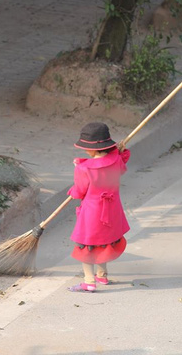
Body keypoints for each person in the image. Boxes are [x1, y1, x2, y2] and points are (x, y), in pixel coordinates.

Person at [67, 122, 130, 292]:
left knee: (87, 245)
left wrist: (73, 187)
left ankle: (88, 281)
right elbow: (121, 167)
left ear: (92, 148)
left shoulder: (84, 168)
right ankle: (102, 275)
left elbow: (79, 192)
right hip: (112, 209)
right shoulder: (116, 160)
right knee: (104, 241)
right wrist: (119, 152)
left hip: (92, 212)